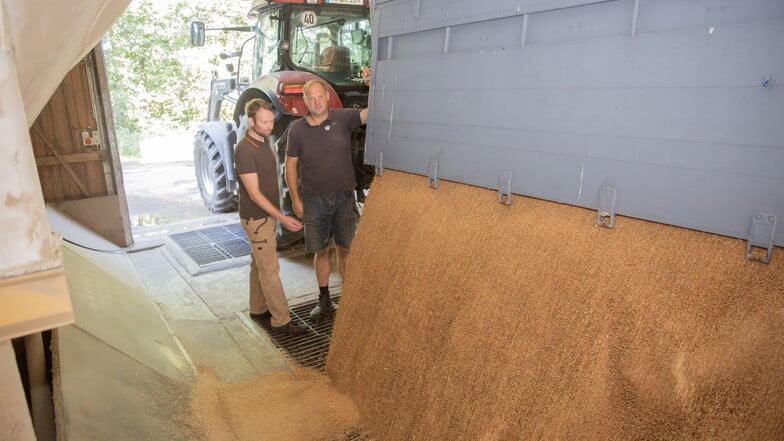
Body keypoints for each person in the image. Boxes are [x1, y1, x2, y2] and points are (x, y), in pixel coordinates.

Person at [285, 79, 368, 320]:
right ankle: (324, 301)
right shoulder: (297, 130)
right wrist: (295, 199)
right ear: (305, 101)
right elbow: (290, 166)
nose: (316, 101)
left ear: (327, 97)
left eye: (319, 96)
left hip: (343, 198)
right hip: (313, 200)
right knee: (320, 250)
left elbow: (371, 114)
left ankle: (349, 298)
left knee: (346, 248)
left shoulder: (343, 118)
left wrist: (374, 85)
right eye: (311, 98)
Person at [236, 98, 307, 335]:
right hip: (257, 219)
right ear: (250, 121)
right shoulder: (244, 150)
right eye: (264, 122)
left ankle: (257, 308)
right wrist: (283, 217)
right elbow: (254, 194)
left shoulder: (264, 141)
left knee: (259, 263)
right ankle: (282, 321)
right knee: (270, 270)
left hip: (265, 217)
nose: (269, 126)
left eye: (270, 121)